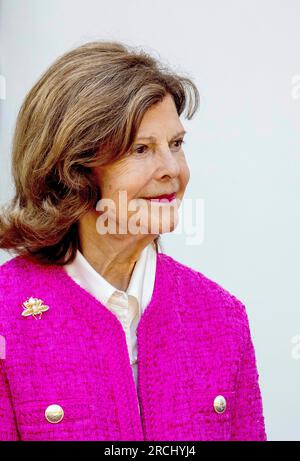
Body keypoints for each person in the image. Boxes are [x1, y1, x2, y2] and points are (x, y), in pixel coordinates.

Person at [0, 40, 267, 441]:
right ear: (73, 170)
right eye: (141, 149)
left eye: (176, 144)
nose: (172, 170)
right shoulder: (7, 316)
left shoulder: (223, 317)